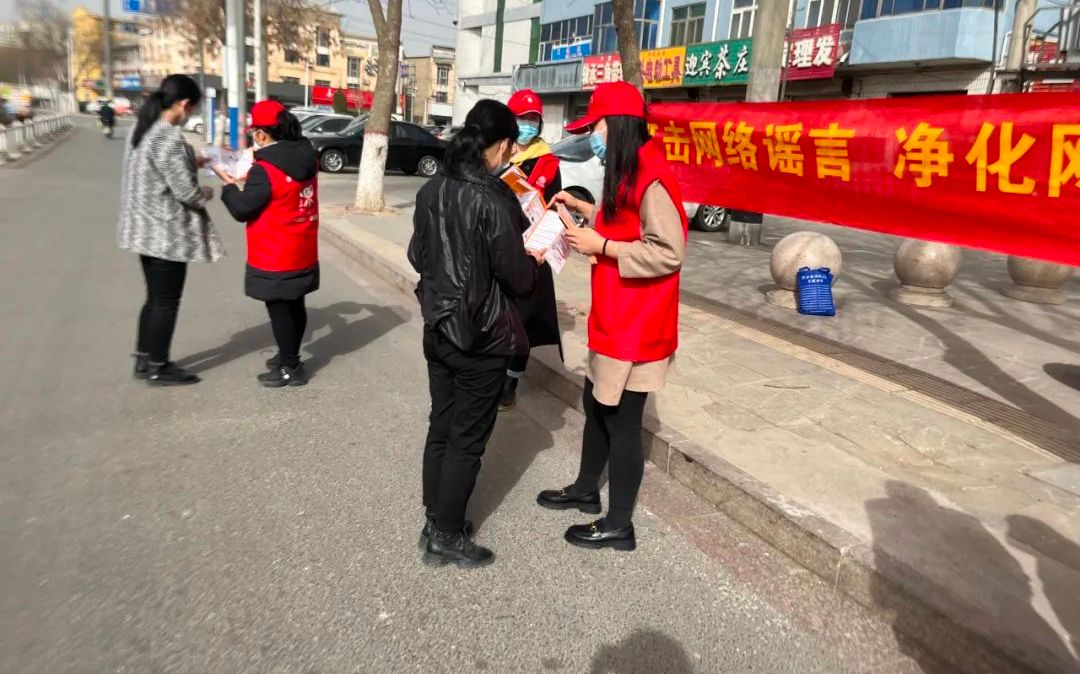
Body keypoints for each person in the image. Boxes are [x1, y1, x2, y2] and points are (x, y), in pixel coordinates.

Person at [536, 81, 688, 552]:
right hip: (614, 316)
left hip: (637, 326)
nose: (592, 137)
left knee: (622, 423)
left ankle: (619, 523)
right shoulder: (628, 168)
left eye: (596, 126)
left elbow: (669, 251)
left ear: (617, 125)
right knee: (595, 405)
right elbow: (625, 222)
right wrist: (584, 209)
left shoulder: (652, 176)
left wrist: (600, 245)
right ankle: (586, 489)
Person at [408, 99, 544, 569]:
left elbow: (417, 254)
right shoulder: (491, 198)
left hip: (438, 327)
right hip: (481, 337)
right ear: (503, 145)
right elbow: (518, 279)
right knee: (466, 439)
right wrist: (534, 260)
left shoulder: (433, 188)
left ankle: (435, 519)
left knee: (441, 427)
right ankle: (446, 535)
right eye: (512, 146)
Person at [118, 74, 225, 386]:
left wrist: (193, 160)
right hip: (166, 234)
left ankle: (144, 359)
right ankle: (159, 366)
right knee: (166, 302)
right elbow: (188, 194)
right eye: (192, 109)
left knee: (154, 299)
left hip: (143, 230)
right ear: (184, 104)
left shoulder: (143, 129)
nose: (191, 114)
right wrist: (207, 192)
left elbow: (157, 167)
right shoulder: (169, 138)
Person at [218, 100, 319, 388]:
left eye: (255, 133)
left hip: (275, 252)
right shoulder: (308, 156)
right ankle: (289, 355)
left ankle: (291, 367)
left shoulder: (265, 170)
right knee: (295, 304)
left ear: (262, 134)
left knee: (279, 310)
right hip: (302, 246)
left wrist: (228, 187)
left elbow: (242, 209)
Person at [498, 89, 563, 411]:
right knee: (498, 314)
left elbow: (554, 208)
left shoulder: (548, 162)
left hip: (532, 248)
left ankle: (511, 382)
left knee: (524, 319)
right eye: (522, 118)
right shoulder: (498, 154)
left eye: (533, 119)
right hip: (499, 245)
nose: (528, 124)